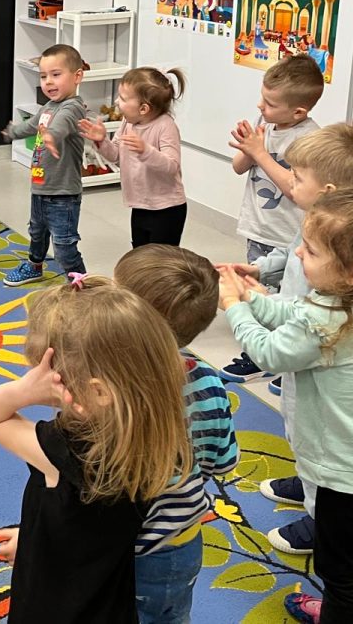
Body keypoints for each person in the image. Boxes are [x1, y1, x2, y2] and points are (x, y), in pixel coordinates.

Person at [218, 189, 353, 624]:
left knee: (340, 576)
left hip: (349, 485)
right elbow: (298, 315)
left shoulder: (325, 321)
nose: (297, 252)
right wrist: (253, 299)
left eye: (311, 249)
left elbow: (269, 353)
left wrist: (233, 307)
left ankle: (341, 614)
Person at [0, 275, 192, 622]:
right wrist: (35, 539)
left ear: (99, 392)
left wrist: (24, 392)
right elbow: (88, 533)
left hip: (51, 605)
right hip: (107, 600)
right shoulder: (163, 434)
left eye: (50, 378)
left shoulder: (65, 452)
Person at [218, 122, 353, 558]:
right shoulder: (318, 223)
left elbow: (283, 341)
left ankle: (319, 514)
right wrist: (260, 272)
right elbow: (290, 251)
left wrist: (240, 305)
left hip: (312, 350)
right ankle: (310, 481)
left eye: (297, 176)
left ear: (326, 190)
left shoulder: (341, 252)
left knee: (312, 430)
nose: (289, 181)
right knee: (297, 423)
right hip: (300, 336)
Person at [114, 246, 239, 624]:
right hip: (176, 541)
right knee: (166, 615)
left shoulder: (104, 385)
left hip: (110, 537)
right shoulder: (209, 382)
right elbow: (223, 462)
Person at [221, 54, 324, 385]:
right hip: (259, 227)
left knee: (290, 299)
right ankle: (262, 356)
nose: (260, 106)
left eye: (270, 103)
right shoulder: (265, 125)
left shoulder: (310, 140)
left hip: (289, 235)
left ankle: (288, 360)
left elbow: (295, 190)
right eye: (262, 99)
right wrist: (248, 147)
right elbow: (238, 167)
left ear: (298, 112)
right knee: (260, 292)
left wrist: (261, 152)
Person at [1, 45, 89, 285]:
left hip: (63, 193)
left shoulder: (73, 107)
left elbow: (62, 124)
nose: (48, 82)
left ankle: (82, 284)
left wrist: (51, 135)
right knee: (37, 233)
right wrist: (13, 131)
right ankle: (34, 266)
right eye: (43, 76)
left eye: (56, 74)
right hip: (40, 186)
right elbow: (32, 126)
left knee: (64, 244)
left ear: (77, 76)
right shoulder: (48, 106)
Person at [75, 67, 188, 247]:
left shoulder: (166, 126)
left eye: (123, 98)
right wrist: (102, 140)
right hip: (140, 204)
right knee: (140, 254)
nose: (116, 101)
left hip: (167, 208)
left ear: (143, 108)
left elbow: (172, 166)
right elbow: (115, 155)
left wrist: (146, 151)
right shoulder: (128, 123)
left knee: (161, 258)